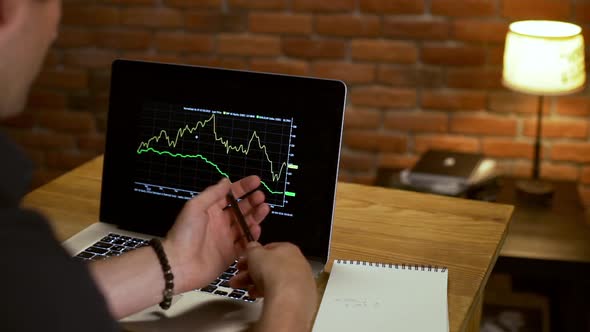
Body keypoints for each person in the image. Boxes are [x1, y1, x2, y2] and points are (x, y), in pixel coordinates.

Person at [0, 0, 318, 331]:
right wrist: (291, 297)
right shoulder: (14, 237)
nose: (53, 31)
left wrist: (176, 260)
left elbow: (32, 298)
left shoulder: (17, 261)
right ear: (6, 11)